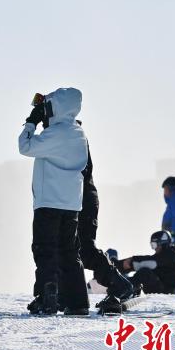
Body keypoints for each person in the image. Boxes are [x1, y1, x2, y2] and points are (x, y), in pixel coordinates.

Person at [19, 88, 89, 316]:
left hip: (48, 201)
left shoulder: (55, 134)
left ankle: (46, 297)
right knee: (69, 252)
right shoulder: (78, 133)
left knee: (45, 250)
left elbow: (25, 146)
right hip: (71, 205)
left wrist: (31, 122)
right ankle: (78, 302)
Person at [71, 123, 133, 313]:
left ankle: (120, 285)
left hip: (81, 199)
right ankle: (67, 293)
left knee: (84, 249)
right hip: (74, 199)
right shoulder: (69, 135)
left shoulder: (72, 136)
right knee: (70, 249)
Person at [116, 230, 175, 294]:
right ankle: (122, 282)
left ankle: (123, 288)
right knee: (144, 268)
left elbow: (151, 262)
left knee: (144, 272)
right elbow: (150, 260)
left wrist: (130, 262)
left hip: (165, 290)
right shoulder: (166, 256)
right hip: (164, 288)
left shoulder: (171, 255)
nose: (154, 248)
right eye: (152, 245)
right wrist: (119, 266)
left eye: (154, 245)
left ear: (162, 244)